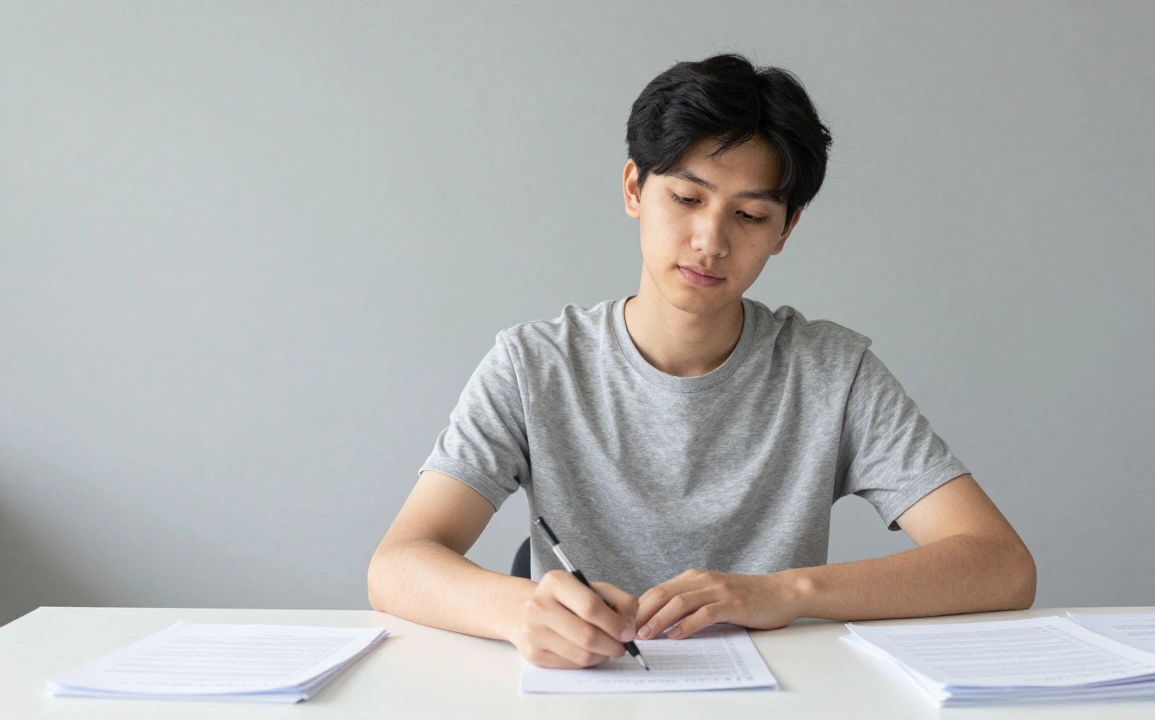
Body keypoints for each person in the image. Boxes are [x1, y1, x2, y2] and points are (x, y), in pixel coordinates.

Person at [368, 53, 1036, 670]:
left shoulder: (833, 371)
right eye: (686, 200)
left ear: (785, 231)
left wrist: (788, 592)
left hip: (785, 697)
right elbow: (396, 564)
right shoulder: (533, 365)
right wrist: (519, 612)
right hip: (590, 692)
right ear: (635, 188)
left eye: (748, 215)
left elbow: (1001, 564)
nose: (709, 241)